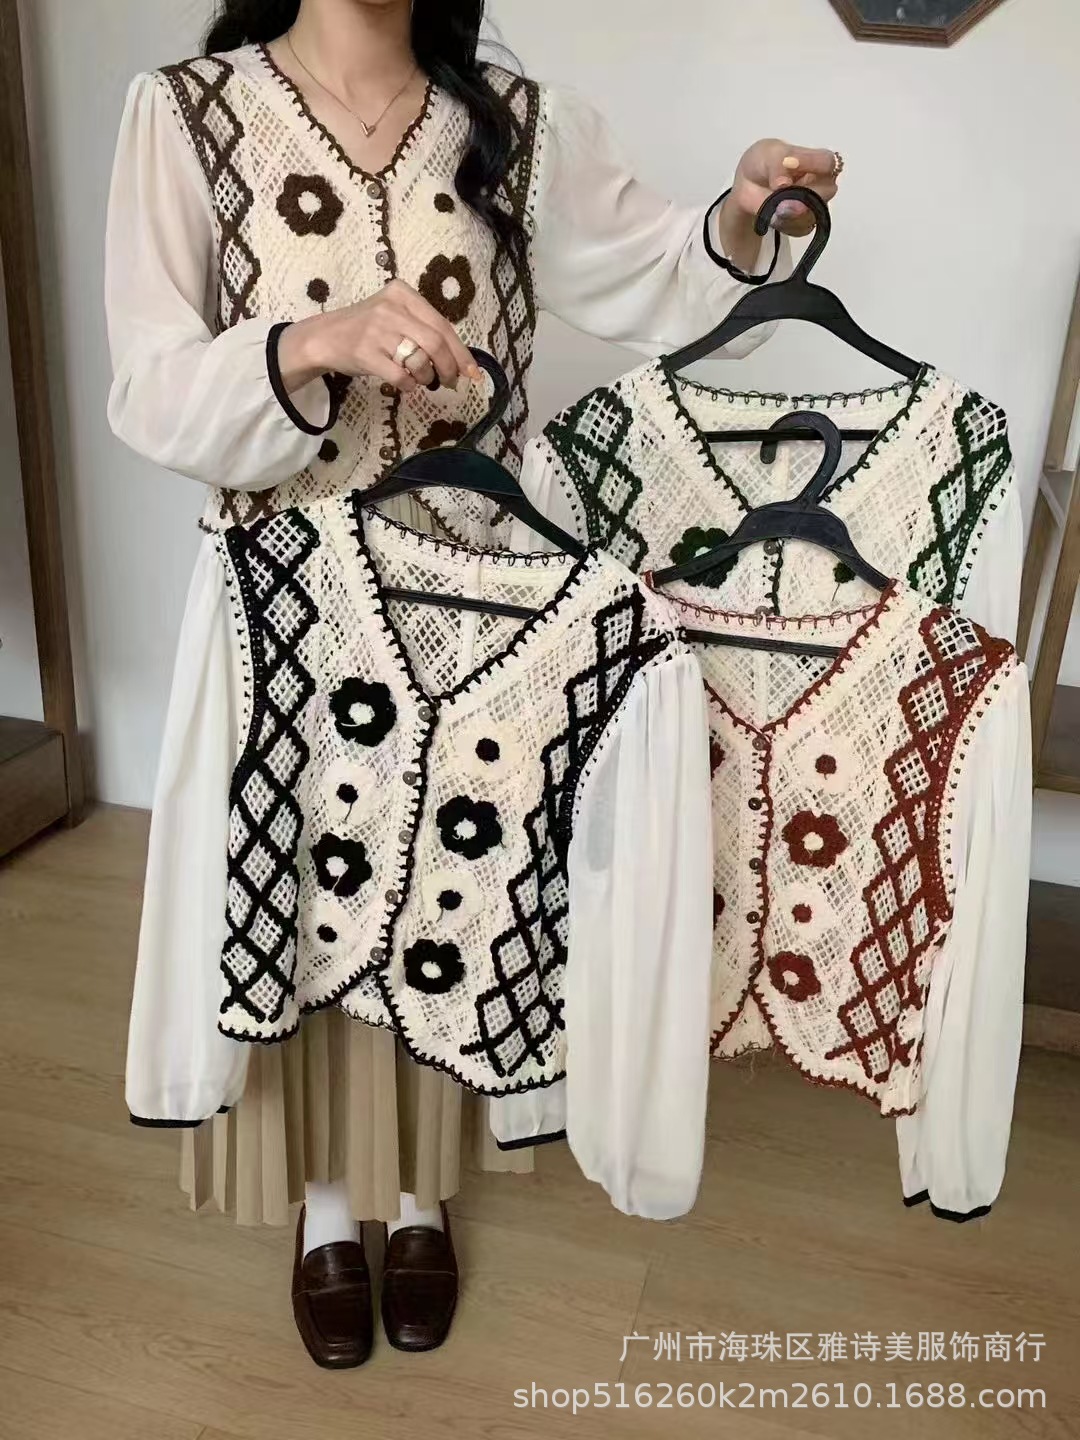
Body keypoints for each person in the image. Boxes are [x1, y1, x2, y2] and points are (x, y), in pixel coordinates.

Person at [106, 0, 842, 1370]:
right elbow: (150, 389)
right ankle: (327, 1204)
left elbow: (654, 278)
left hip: (475, 603)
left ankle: (419, 1190)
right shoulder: (188, 114)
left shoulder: (515, 124)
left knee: (452, 883)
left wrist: (742, 222)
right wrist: (311, 342)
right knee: (302, 887)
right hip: (283, 597)